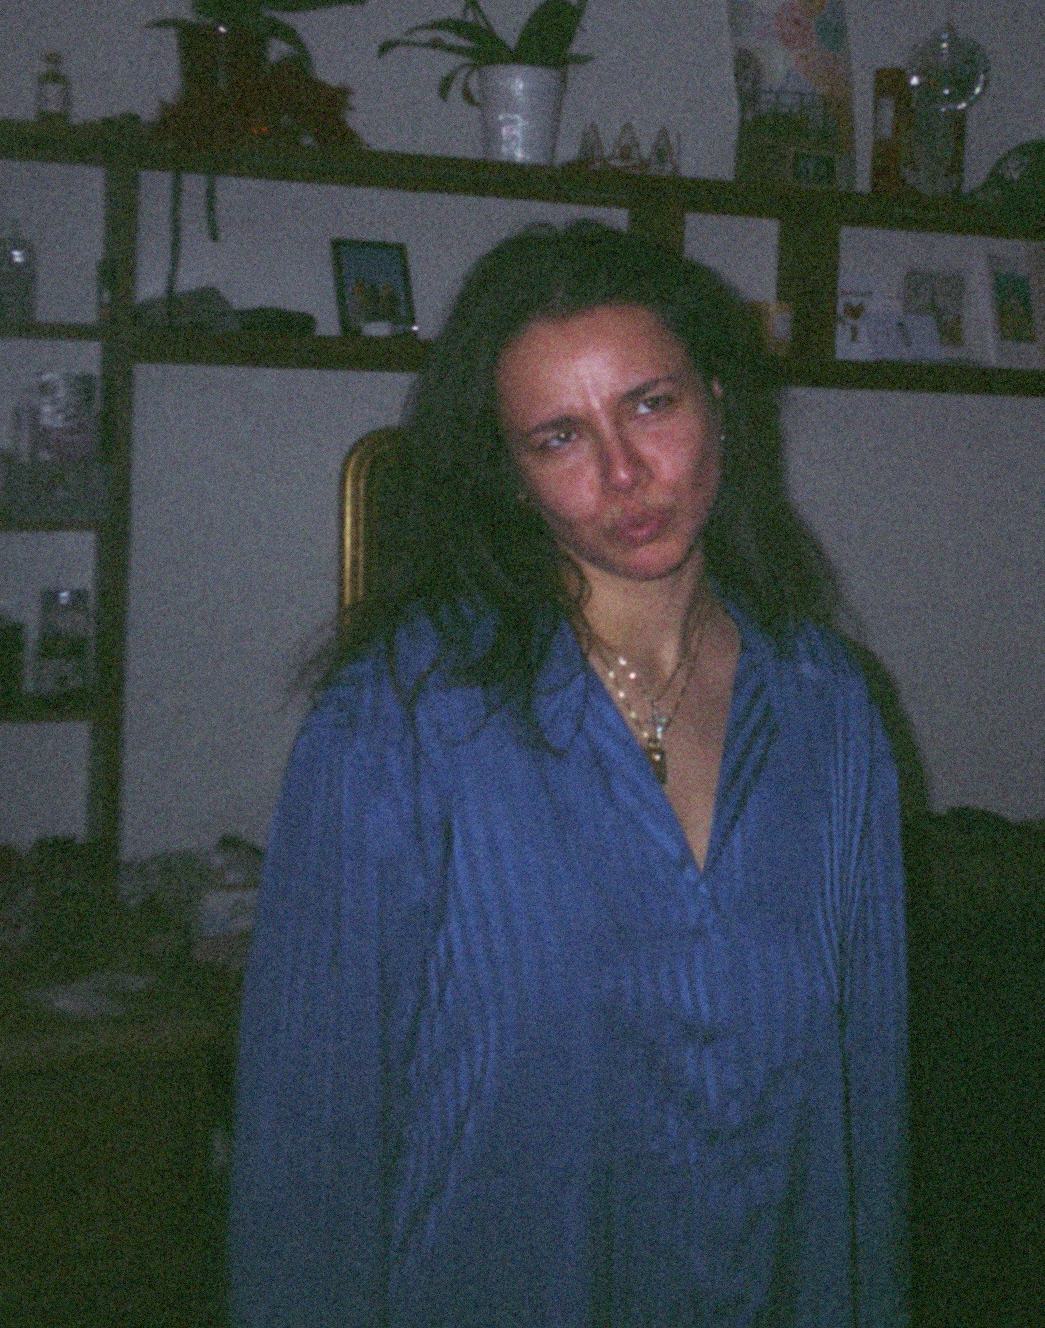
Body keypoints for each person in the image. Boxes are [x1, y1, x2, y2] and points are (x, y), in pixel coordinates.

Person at [229, 221, 909, 1327]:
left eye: (651, 405)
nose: (624, 473)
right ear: (508, 474)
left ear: (720, 401)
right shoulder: (398, 726)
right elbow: (306, 1162)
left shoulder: (830, 709)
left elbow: (862, 1113)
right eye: (558, 437)